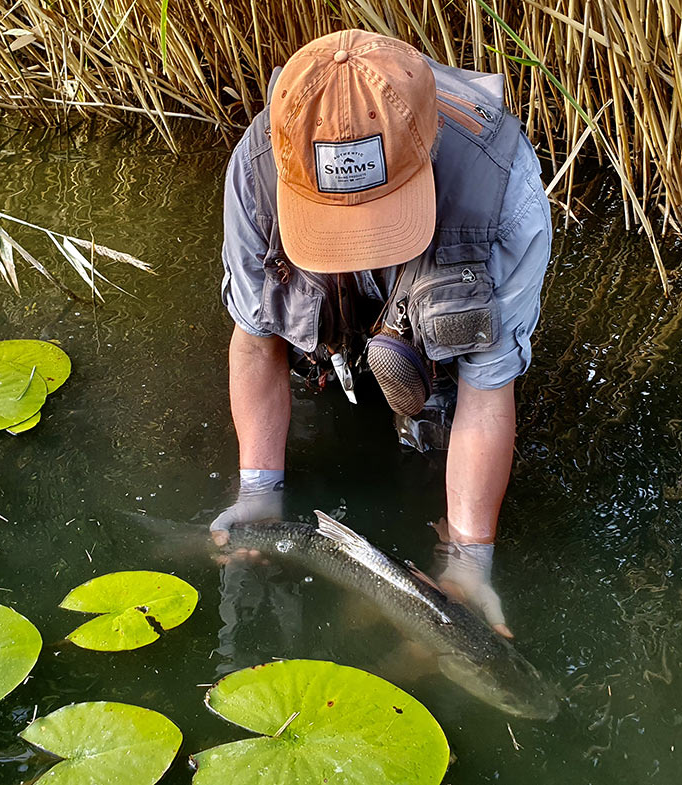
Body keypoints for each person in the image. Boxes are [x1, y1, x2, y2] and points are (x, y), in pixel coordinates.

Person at [211, 29, 551, 639]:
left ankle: (413, 372)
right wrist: (258, 490)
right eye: (336, 223)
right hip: (323, 318)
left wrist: (471, 563)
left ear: (432, 149)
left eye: (376, 219)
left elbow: (489, 386)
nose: (357, 246)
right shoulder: (255, 171)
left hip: (447, 285)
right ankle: (339, 354)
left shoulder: (507, 193)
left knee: (432, 440)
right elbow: (256, 337)